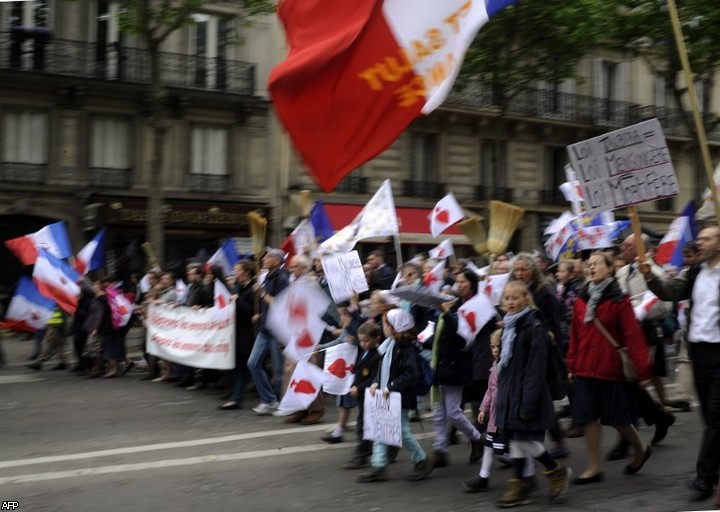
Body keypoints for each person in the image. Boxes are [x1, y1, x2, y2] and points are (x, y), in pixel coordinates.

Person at [640, 226, 720, 498]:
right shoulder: (696, 271)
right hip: (699, 352)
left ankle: (705, 479)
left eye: (706, 238)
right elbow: (670, 291)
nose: (700, 242)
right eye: (700, 238)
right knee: (709, 417)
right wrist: (650, 276)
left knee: (716, 420)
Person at [567, 252, 653, 486]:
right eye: (589, 264)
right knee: (588, 418)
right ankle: (594, 467)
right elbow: (575, 335)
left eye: (597, 264)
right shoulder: (581, 299)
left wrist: (644, 370)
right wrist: (572, 365)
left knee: (617, 418)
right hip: (585, 367)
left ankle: (640, 448)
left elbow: (633, 336)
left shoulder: (618, 300)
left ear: (609, 269)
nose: (592, 267)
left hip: (609, 367)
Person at [494, 280, 571, 507]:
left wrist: (527, 404)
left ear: (526, 299)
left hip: (528, 396)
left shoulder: (533, 328)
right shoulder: (509, 326)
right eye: (506, 298)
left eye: (515, 298)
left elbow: (535, 371)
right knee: (517, 440)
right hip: (511, 395)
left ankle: (556, 470)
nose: (510, 302)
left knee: (524, 440)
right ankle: (519, 484)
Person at [358, 309, 434, 482]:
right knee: (380, 429)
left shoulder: (407, 348)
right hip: (386, 395)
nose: (383, 327)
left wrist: (391, 386)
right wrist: (376, 383)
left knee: (401, 431)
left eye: (386, 324)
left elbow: (410, 375)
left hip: (399, 397)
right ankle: (378, 466)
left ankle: (422, 460)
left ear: (395, 327)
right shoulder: (390, 344)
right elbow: (383, 369)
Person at [430, 268, 484, 468]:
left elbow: (464, 337)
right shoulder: (456, 305)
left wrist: (446, 312)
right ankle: (441, 449)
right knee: (438, 411)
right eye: (457, 281)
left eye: (463, 281)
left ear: (472, 282)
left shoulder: (475, 305)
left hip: (458, 366)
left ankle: (476, 437)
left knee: (453, 411)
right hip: (443, 364)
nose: (460, 284)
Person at [463, 328, 507, 492]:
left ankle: (526, 475)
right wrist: (483, 409)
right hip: (495, 416)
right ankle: (483, 476)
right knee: (489, 444)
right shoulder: (494, 366)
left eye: (499, 347)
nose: (495, 350)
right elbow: (490, 390)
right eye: (493, 347)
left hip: (505, 415)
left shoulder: (506, 367)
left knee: (519, 447)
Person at [249, 248, 290, 415]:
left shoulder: (283, 278)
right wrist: (259, 313)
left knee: (279, 370)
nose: (264, 259)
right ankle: (269, 399)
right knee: (253, 363)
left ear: (277, 261)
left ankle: (281, 403)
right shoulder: (266, 277)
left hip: (277, 330)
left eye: (268, 257)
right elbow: (266, 302)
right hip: (265, 329)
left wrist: (262, 293)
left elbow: (278, 304)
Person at [343, 321, 382, 469]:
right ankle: (369, 451)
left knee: (363, 426)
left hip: (369, 396)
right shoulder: (362, 351)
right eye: (361, 340)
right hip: (361, 396)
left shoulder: (376, 356)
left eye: (366, 341)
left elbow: (373, 379)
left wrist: (358, 388)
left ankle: (361, 456)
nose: (363, 343)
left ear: (376, 339)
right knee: (366, 425)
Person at [219, 259, 256, 411]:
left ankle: (237, 398)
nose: (235, 273)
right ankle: (237, 396)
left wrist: (238, 300)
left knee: (248, 366)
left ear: (246, 271)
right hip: (236, 332)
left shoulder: (253, 288)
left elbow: (251, 310)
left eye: (238, 270)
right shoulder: (237, 287)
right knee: (244, 366)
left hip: (248, 332)